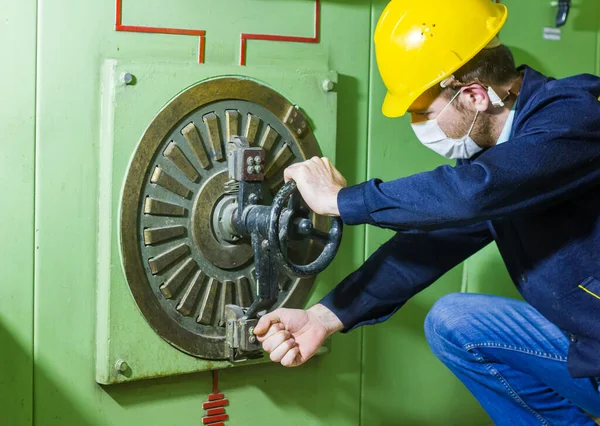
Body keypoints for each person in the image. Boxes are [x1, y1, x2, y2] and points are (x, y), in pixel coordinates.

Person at [253, 0, 600, 423]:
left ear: (472, 95)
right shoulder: (497, 158)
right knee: (454, 323)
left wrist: (341, 201)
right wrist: (324, 316)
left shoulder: (577, 115)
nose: (418, 125)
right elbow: (428, 245)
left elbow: (472, 194)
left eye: (423, 112)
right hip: (587, 347)